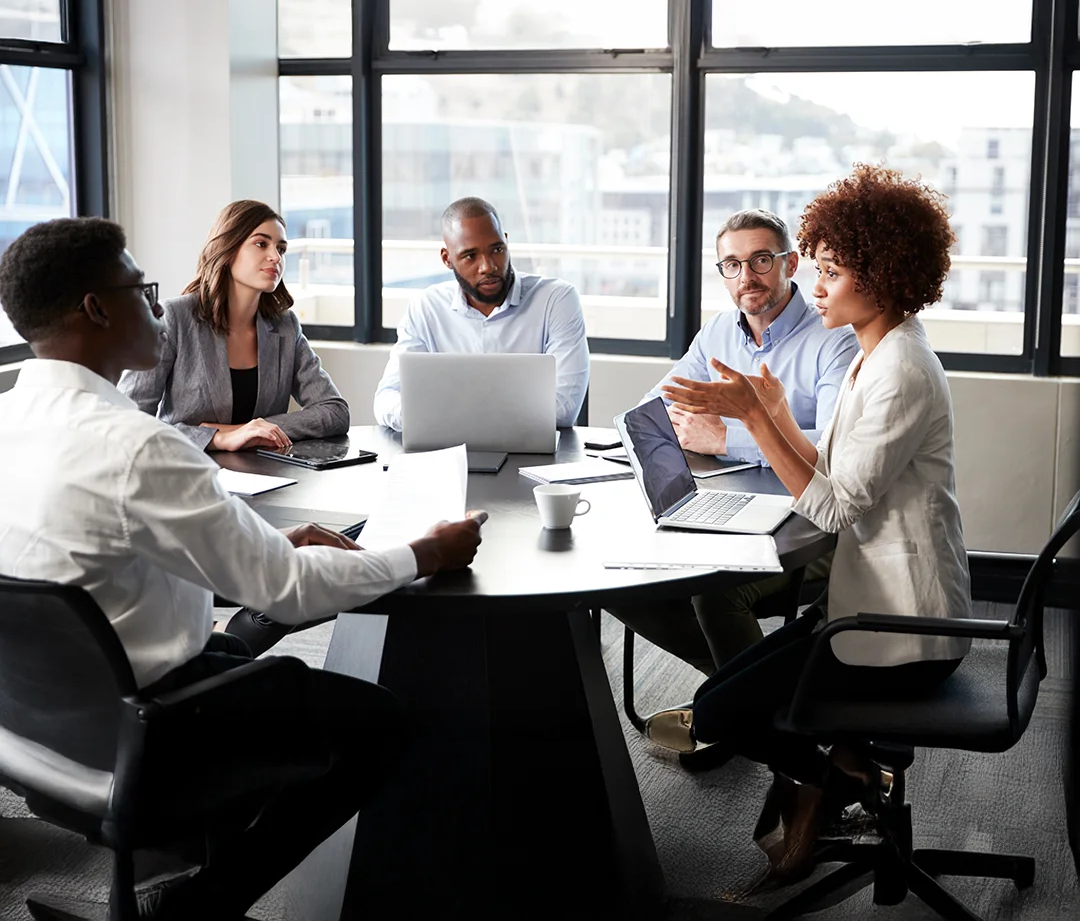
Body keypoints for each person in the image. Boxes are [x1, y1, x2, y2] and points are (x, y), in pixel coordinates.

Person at [0, 217, 487, 920]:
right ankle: (199, 908)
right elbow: (288, 597)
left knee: (240, 653)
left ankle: (190, 866)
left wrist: (271, 542)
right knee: (375, 724)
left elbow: (106, 543)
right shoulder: (141, 447)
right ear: (96, 309)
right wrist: (425, 552)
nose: (155, 306)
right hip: (151, 726)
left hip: (37, 727)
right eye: (141, 290)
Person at [661, 164, 972, 881]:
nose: (818, 286)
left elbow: (829, 507)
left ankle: (836, 782)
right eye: (820, 268)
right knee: (719, 702)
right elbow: (830, 468)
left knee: (720, 714)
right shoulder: (879, 352)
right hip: (863, 605)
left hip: (902, 628)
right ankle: (844, 778)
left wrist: (752, 421)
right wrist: (771, 411)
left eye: (832, 271)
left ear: (885, 275)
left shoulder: (900, 371)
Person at [611, 211, 857, 750]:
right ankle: (743, 700)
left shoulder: (833, 335)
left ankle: (741, 713)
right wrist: (640, 436)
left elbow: (831, 446)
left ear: (791, 263)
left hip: (817, 526)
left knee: (717, 592)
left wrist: (727, 439)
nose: (747, 276)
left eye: (761, 260)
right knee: (617, 580)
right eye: (732, 264)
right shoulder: (721, 329)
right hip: (737, 507)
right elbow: (660, 405)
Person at [119, 200, 350, 654]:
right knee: (301, 567)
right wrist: (218, 435)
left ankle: (232, 643)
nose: (275, 258)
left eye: (281, 248)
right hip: (191, 492)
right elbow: (127, 420)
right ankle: (229, 652)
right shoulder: (176, 318)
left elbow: (334, 409)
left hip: (271, 491)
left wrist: (253, 426)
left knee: (336, 554)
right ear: (226, 249)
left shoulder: (283, 325)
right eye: (260, 244)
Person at [373, 197, 590, 431]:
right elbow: (387, 397)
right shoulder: (426, 307)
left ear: (506, 242)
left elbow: (564, 409)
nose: (488, 267)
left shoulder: (555, 299)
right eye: (470, 256)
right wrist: (419, 416)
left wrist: (441, 416)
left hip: (532, 459)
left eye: (497, 249)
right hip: (448, 454)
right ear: (447, 259)